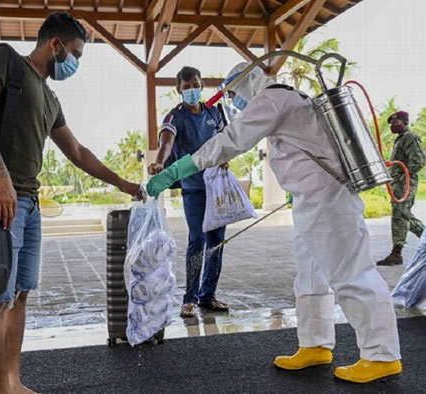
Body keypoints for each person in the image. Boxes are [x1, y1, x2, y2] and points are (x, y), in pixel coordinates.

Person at [146, 63, 402, 384]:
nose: (236, 102)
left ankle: (381, 355)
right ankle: (315, 344)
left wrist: (178, 169)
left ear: (249, 83)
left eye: (235, 94)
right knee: (310, 277)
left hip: (328, 199)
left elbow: (232, 139)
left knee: (351, 273)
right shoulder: (289, 98)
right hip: (312, 199)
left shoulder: (270, 100)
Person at [0, 12, 143, 394]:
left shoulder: (50, 96)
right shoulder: (5, 59)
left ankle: (13, 381)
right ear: (55, 44)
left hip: (27, 201)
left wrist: (124, 183)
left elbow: (77, 151)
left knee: (20, 294)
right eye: (74, 53)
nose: (73, 63)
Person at [148, 66, 230, 318]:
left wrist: (226, 157)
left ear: (201, 84)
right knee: (198, 239)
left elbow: (226, 140)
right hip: (194, 188)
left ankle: (208, 295)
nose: (192, 90)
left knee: (217, 241)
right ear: (179, 90)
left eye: (195, 85)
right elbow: (167, 141)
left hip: (217, 186)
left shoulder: (213, 112)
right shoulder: (176, 116)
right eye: (187, 87)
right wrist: (160, 161)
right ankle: (189, 299)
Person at [377, 111, 426, 266]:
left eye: (396, 122)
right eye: (391, 123)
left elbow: (419, 161)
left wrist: (405, 174)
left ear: (405, 122)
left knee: (400, 215)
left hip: (405, 183)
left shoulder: (409, 138)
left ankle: (396, 253)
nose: (393, 126)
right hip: (398, 183)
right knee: (403, 215)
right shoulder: (400, 140)